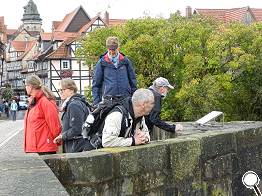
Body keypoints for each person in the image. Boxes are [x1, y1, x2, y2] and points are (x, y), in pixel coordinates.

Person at [92, 36, 137, 105]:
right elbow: (96, 85)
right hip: (109, 100)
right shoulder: (102, 63)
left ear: (118, 48)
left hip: (125, 98)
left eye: (114, 50)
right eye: (110, 50)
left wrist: (133, 97)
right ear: (107, 48)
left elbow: (133, 81)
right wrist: (96, 103)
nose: (112, 52)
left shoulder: (125, 61)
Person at [53, 78, 93, 153]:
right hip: (75, 145)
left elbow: (77, 129)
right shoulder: (74, 103)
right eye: (59, 90)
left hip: (76, 147)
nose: (60, 92)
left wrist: (62, 136)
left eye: (63, 90)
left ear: (71, 90)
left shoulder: (74, 105)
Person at [24, 75, 61, 155]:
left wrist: (57, 141)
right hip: (34, 148)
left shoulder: (45, 102)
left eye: (26, 85)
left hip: (44, 148)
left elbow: (54, 125)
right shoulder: (34, 102)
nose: (25, 88)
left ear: (31, 86)